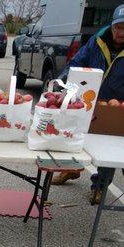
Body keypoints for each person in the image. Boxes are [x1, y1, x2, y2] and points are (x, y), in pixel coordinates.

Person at [53, 3, 124, 202]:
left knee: (107, 146)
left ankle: (99, 187)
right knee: (74, 135)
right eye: (119, 28)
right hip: (87, 100)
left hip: (114, 106)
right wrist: (65, 79)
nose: (122, 33)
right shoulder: (97, 41)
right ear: (112, 27)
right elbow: (76, 62)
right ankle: (71, 169)